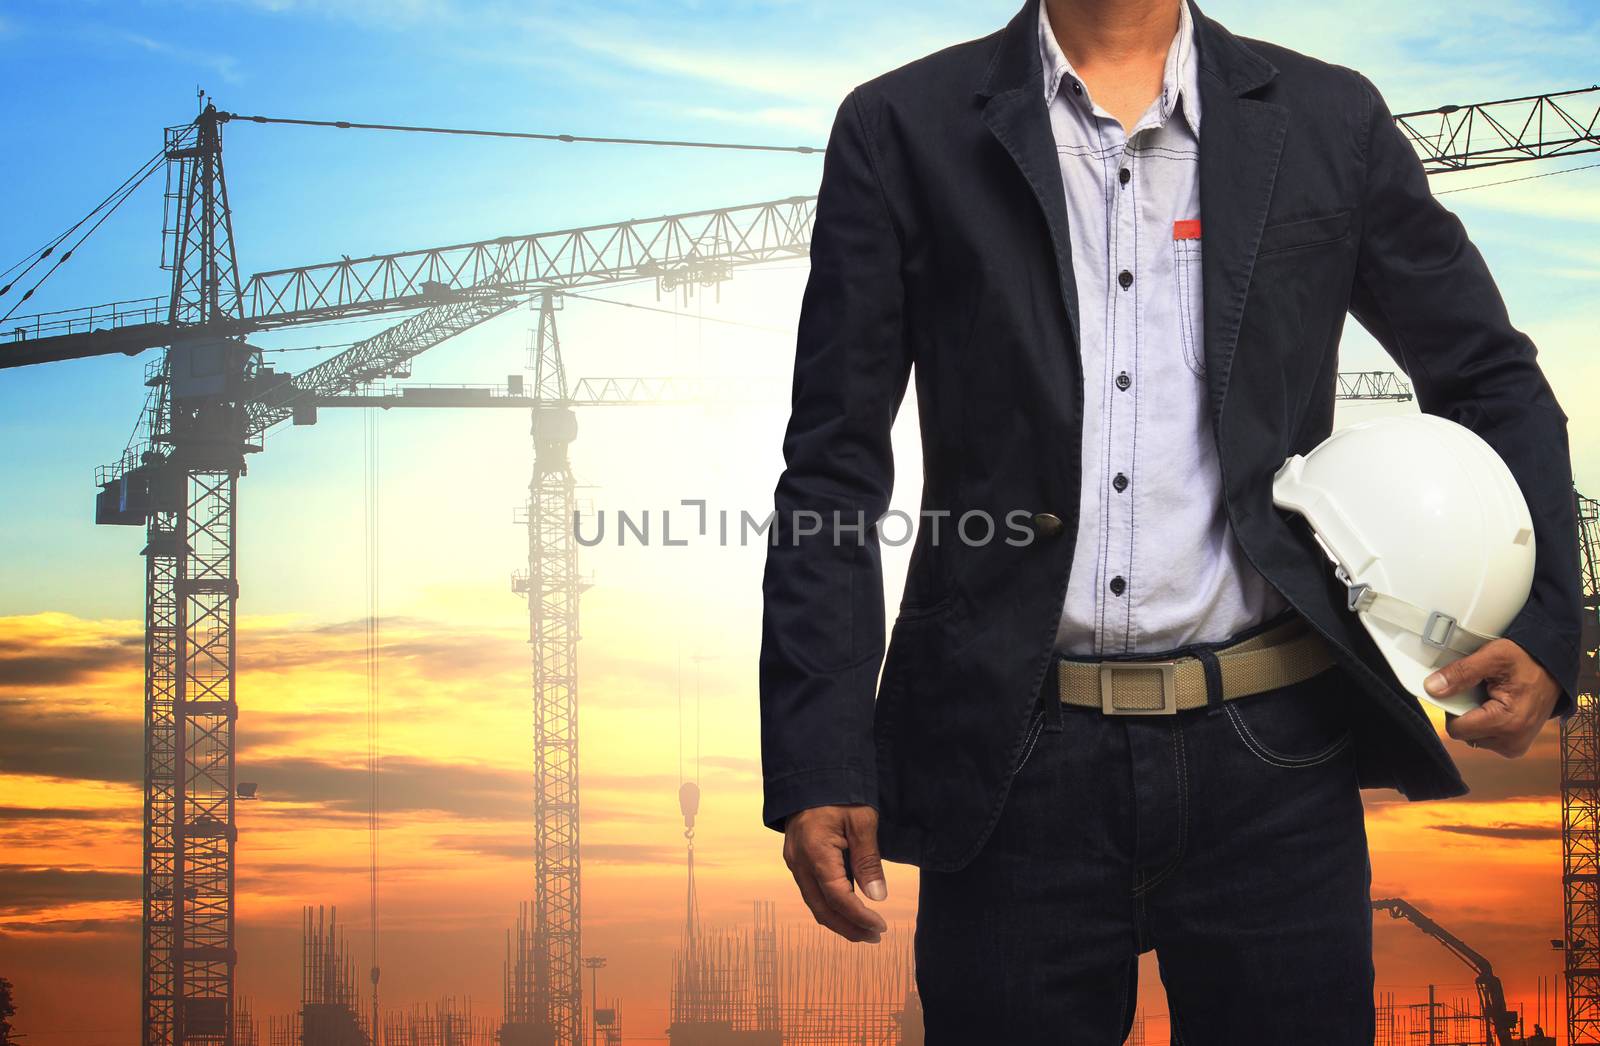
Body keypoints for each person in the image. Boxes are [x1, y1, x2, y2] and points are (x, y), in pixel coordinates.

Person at [757, 0, 1582, 1041]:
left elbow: (1486, 372)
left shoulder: (1330, 119)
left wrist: (1550, 621)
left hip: (1275, 756)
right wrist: (818, 754)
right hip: (1011, 763)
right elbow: (832, 466)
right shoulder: (903, 126)